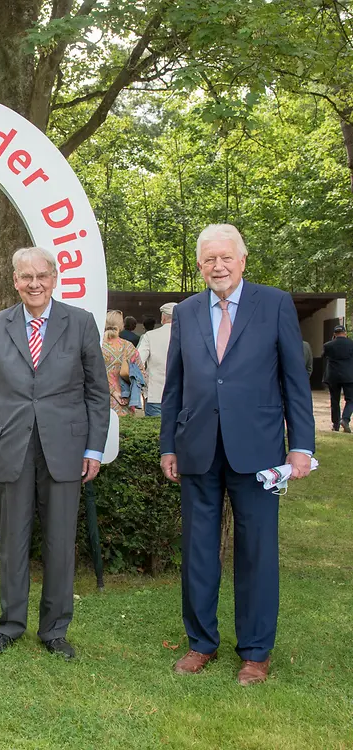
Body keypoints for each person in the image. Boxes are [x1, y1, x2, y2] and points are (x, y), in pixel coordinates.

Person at [161, 224, 315, 686]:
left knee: (257, 552)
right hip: (198, 449)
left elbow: (294, 380)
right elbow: (174, 384)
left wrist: (301, 446)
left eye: (226, 257)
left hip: (261, 451)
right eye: (209, 259)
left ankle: (255, 651)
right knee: (198, 551)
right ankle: (201, 642)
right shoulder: (186, 312)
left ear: (243, 260)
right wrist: (168, 443)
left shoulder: (275, 303)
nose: (218, 266)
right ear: (200, 265)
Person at [0, 246, 109, 660]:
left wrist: (94, 449)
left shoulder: (81, 323)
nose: (34, 284)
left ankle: (54, 631)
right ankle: (10, 626)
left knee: (60, 542)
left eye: (42, 276)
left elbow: (97, 393)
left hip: (65, 449)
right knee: (12, 541)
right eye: (26, 277)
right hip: (10, 446)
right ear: (15, 281)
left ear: (55, 278)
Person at [101, 310, 145, 416]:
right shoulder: (128, 346)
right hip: (125, 401)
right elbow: (142, 374)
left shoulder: (98, 345)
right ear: (121, 325)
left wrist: (113, 392)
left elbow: (91, 375)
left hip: (101, 401)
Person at [137, 302, 176, 417]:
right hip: (182, 395)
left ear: (163, 318)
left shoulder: (149, 336)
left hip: (156, 393)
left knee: (155, 432)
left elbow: (138, 361)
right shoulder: (188, 336)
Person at [323, 324, 353, 432]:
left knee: (334, 400)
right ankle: (345, 419)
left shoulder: (328, 345)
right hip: (349, 376)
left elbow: (324, 356)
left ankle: (335, 425)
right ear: (345, 333)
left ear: (334, 334)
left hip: (333, 376)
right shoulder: (351, 344)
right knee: (350, 399)